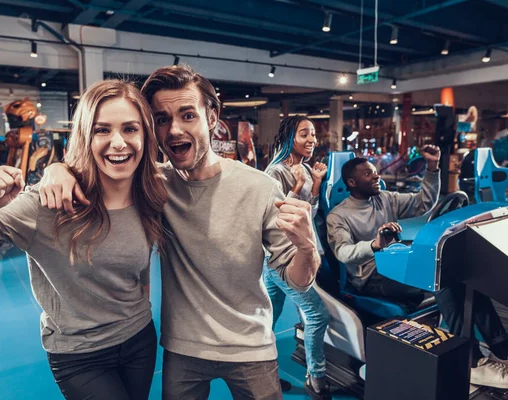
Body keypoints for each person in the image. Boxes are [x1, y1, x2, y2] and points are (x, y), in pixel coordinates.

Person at [39, 64, 321, 400]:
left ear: (211, 118)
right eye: (161, 119)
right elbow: (96, 168)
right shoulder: (152, 185)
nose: (174, 130)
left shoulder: (260, 187)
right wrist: (56, 170)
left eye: (188, 115)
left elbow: (298, 280)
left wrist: (306, 249)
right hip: (183, 347)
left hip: (250, 346)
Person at [0, 80, 168, 400]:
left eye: (130, 129)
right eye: (102, 130)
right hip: (80, 355)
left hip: (139, 339)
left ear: (145, 136)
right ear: (85, 137)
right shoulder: (48, 204)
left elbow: (138, 272)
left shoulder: (150, 194)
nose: (118, 142)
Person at [326, 147, 508, 389]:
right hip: (371, 277)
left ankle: (501, 348)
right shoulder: (338, 216)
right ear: (352, 181)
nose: (377, 176)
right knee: (444, 283)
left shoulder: (384, 198)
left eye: (375, 172)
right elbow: (343, 253)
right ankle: (471, 361)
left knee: (465, 275)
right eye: (369, 174)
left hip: (395, 263)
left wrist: (432, 169)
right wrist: (375, 244)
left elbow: (423, 203)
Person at [263, 116, 331, 399]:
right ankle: (317, 378)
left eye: (313, 134)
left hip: (298, 255)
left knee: (267, 321)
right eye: (305, 134)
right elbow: (275, 217)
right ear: (290, 137)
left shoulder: (303, 168)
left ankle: (263, 378)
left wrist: (314, 185)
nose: (312, 139)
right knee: (317, 314)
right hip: (282, 258)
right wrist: (295, 187)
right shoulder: (275, 171)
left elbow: (308, 215)